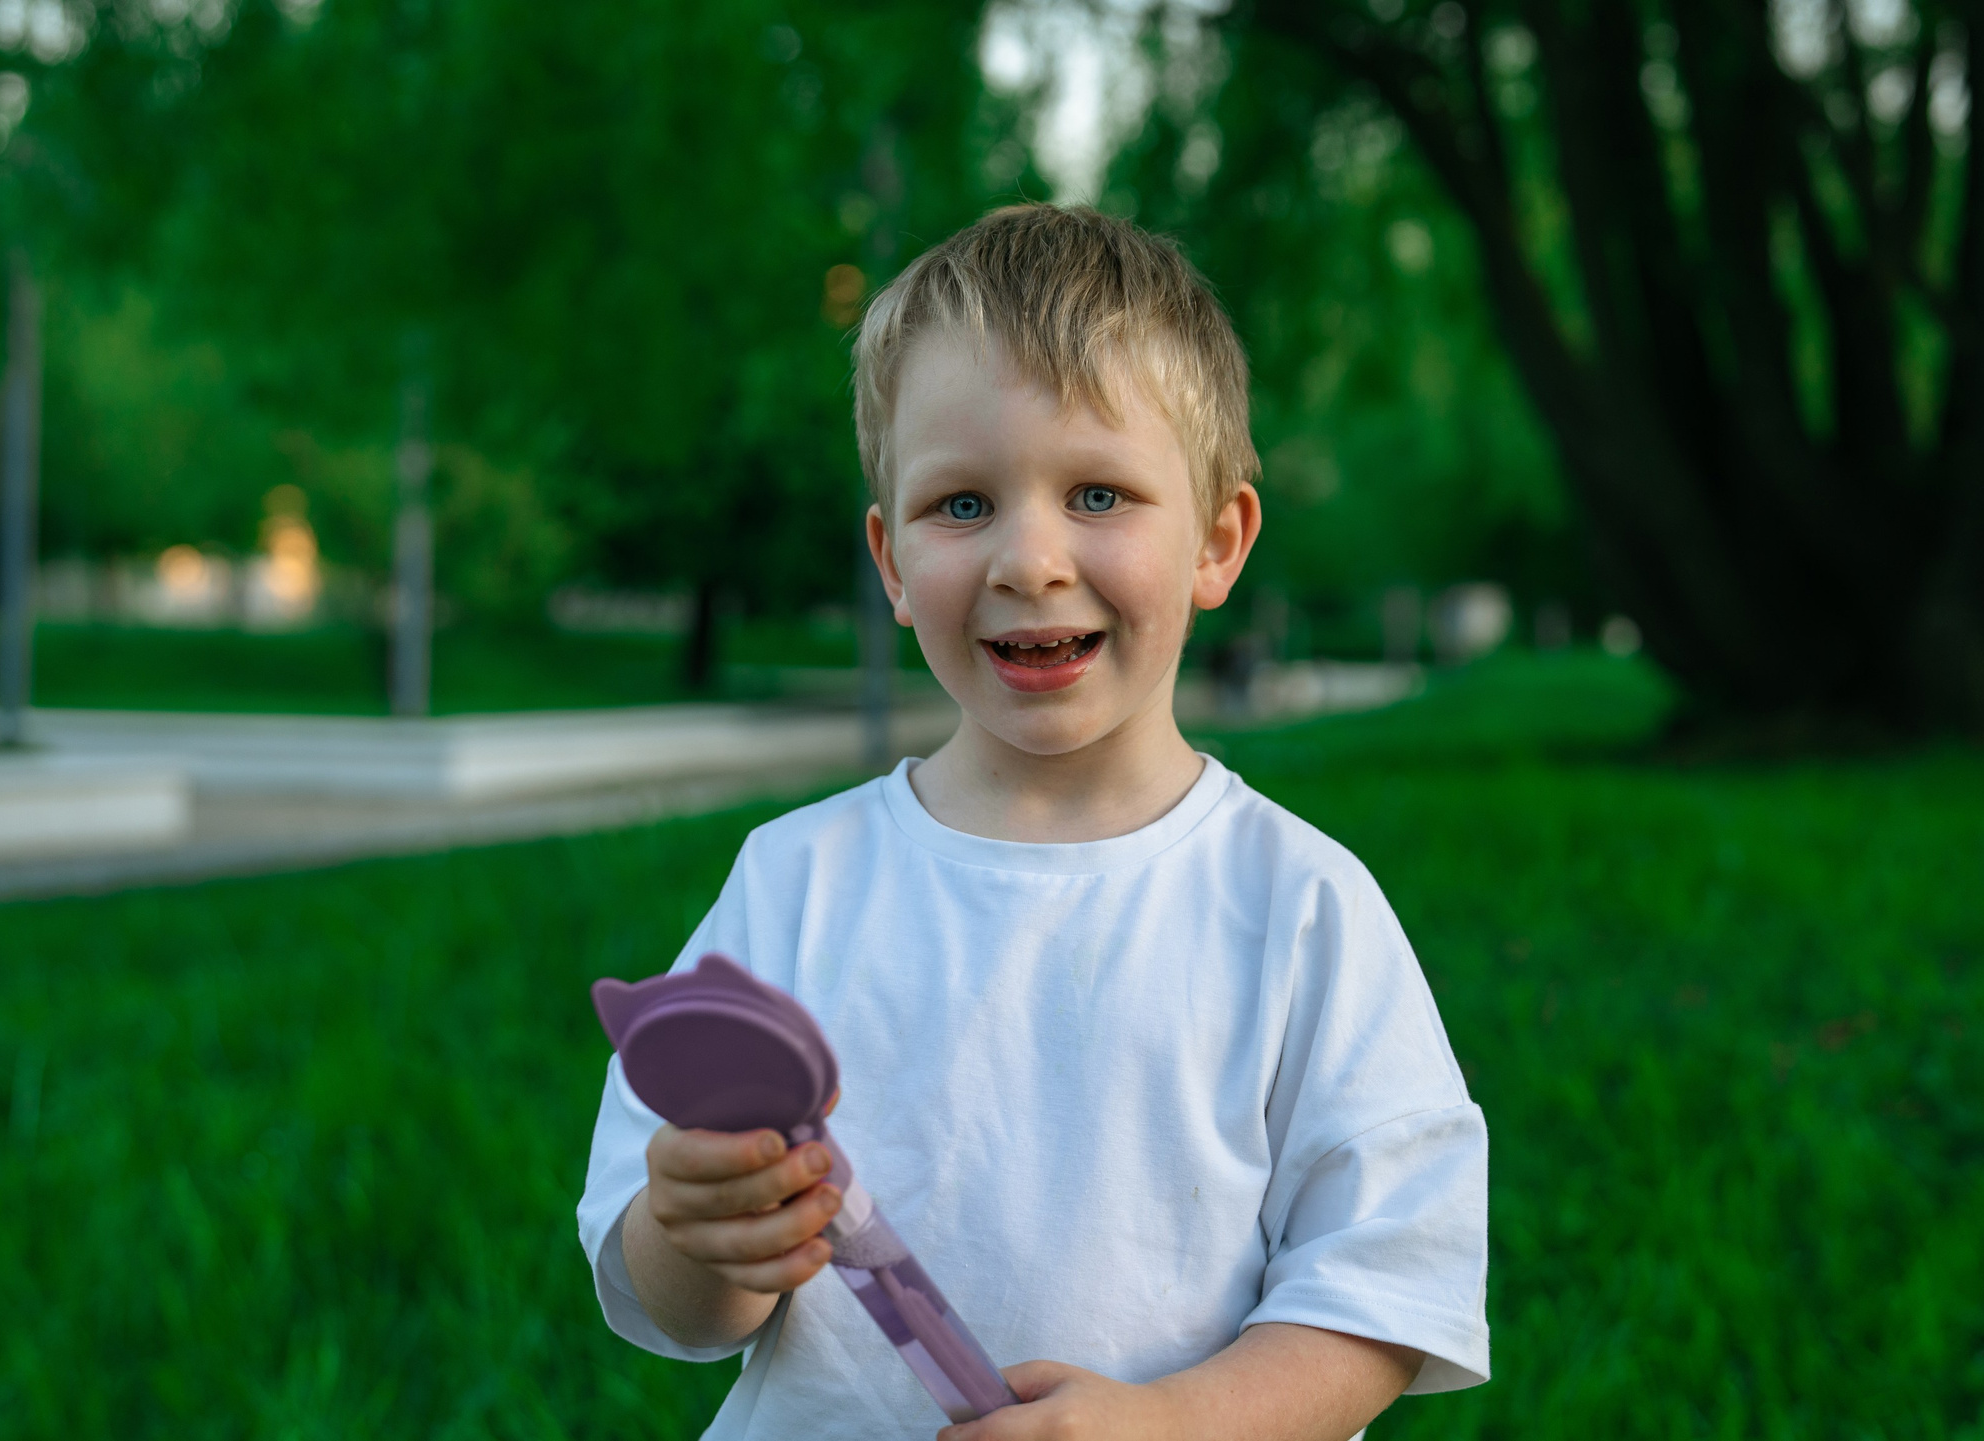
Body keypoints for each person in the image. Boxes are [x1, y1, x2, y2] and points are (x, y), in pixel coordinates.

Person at [576, 204, 1488, 1440]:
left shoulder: (1299, 904)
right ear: (891, 562)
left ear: (1219, 540)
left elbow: (1386, 1286)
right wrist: (701, 1233)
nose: (1030, 559)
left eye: (1099, 492)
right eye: (960, 506)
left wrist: (1174, 1424)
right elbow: (678, 1306)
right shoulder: (797, 880)